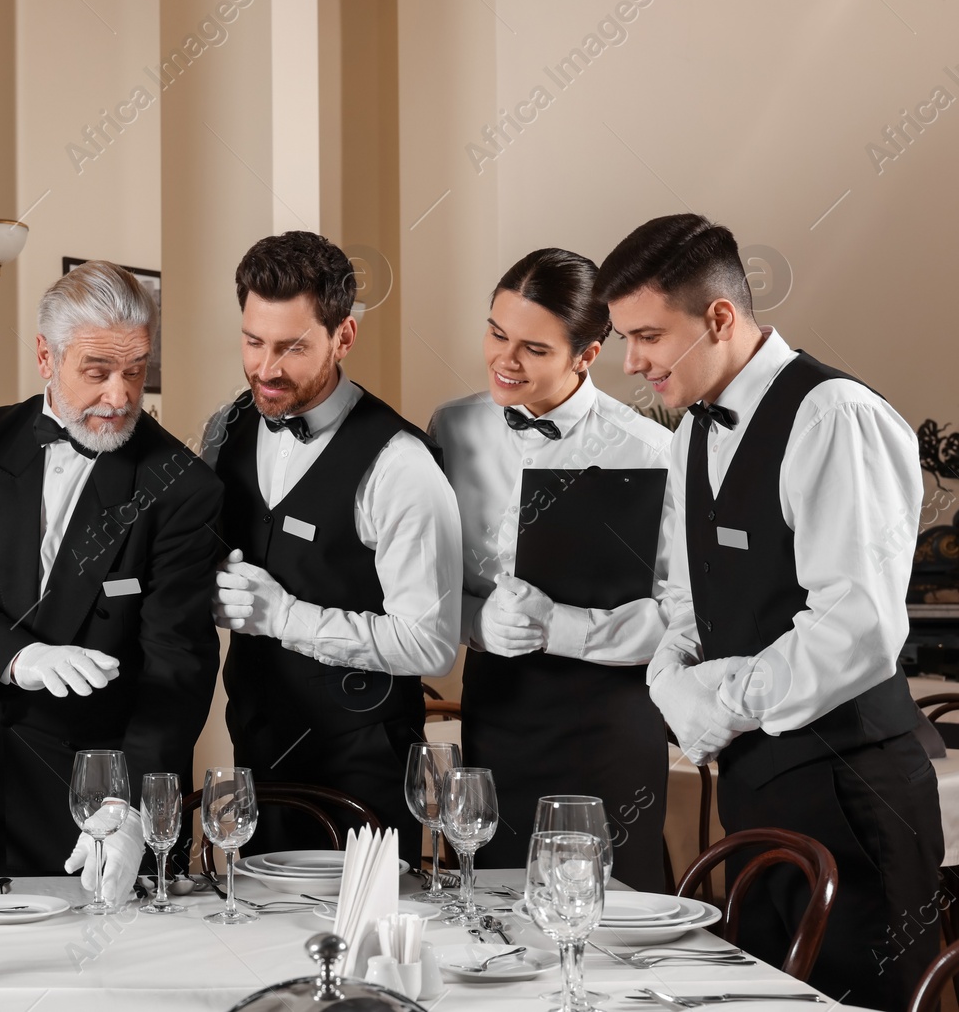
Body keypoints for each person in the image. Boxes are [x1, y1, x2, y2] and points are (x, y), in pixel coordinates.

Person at [599, 212, 938, 1009]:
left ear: (718, 316)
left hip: (854, 792)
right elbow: (684, 599)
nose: (631, 360)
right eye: (622, 337)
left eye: (646, 335)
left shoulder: (832, 416)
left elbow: (857, 626)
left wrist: (719, 702)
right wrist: (669, 678)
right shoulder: (690, 433)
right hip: (757, 790)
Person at [0, 260, 221, 901]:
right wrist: (18, 656)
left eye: (135, 371)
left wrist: (133, 803)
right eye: (97, 371)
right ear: (45, 356)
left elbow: (179, 664)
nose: (120, 396)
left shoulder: (182, 484)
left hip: (99, 780)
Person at [205, 231, 461, 855]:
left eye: (292, 348)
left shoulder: (401, 464)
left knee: (360, 950)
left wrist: (282, 616)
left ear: (343, 336)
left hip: (363, 765)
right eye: (253, 341)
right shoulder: (225, 427)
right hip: (254, 750)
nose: (266, 368)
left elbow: (430, 645)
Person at [429, 248, 676, 891]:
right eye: (496, 333)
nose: (505, 360)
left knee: (610, 913)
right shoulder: (451, 429)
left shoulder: (651, 450)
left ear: (587, 354)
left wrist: (555, 628)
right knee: (493, 906)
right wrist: (478, 620)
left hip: (613, 718)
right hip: (499, 707)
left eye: (534, 349)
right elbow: (424, 580)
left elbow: (683, 616)